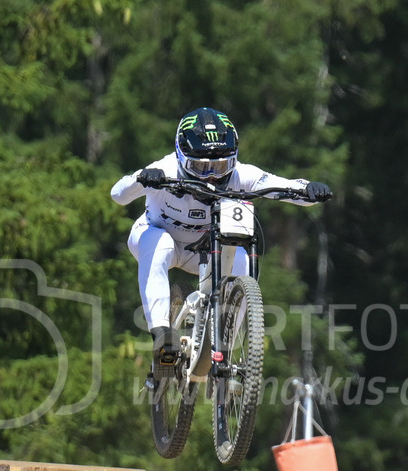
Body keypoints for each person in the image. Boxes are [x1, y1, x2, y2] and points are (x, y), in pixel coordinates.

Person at [111, 106, 332, 371]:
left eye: (220, 166)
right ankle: (161, 335)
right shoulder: (164, 168)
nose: (212, 176)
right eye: (201, 167)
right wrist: (142, 180)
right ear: (181, 157)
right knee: (161, 245)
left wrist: (309, 190)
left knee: (241, 259)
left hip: (202, 251)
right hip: (153, 238)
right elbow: (118, 195)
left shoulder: (240, 174)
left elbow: (282, 186)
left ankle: (222, 348)